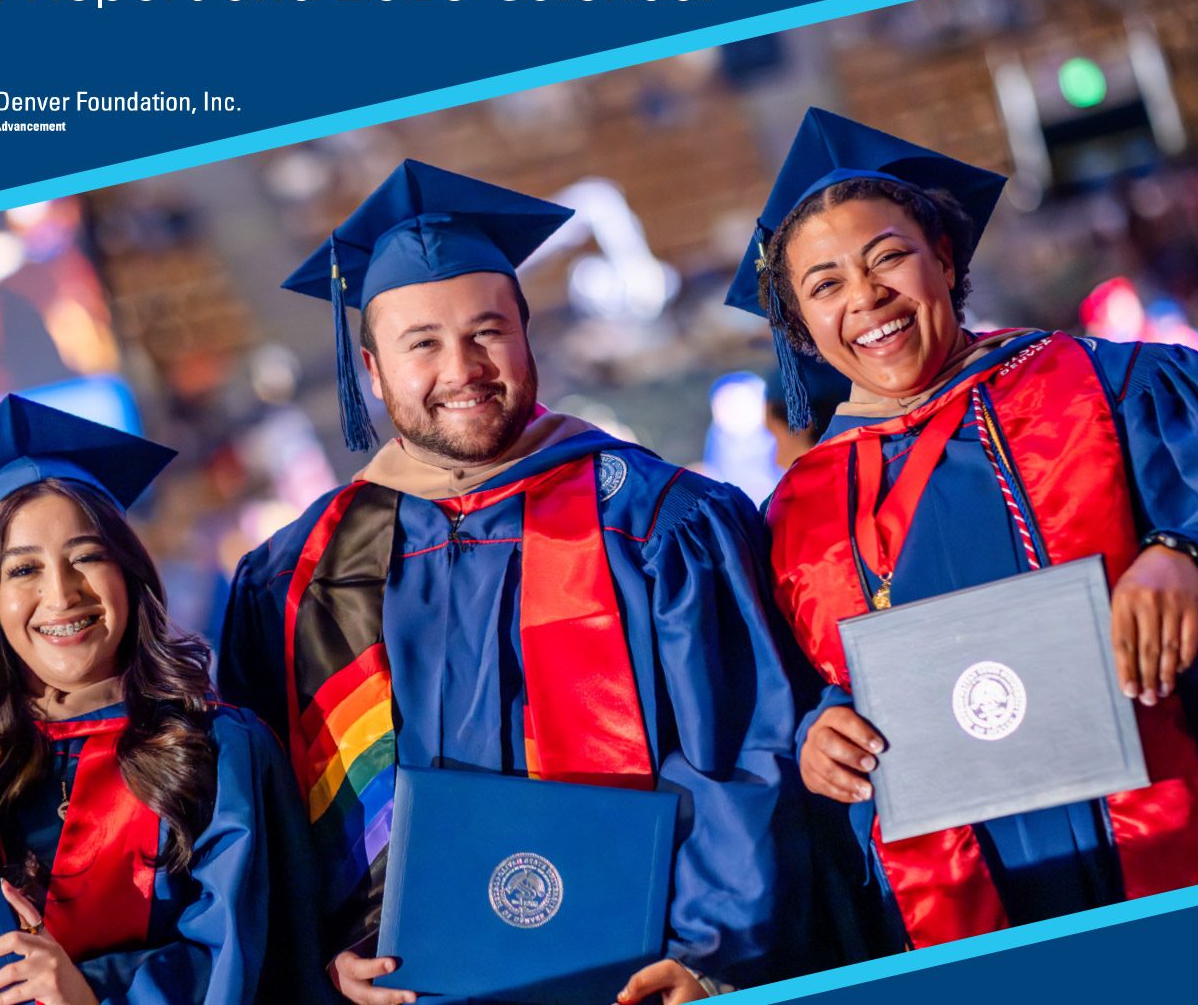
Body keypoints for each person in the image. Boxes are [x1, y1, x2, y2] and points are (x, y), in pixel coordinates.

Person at [218, 161, 813, 1004]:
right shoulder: (296, 578)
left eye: (487, 331)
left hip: (638, 979)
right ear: (373, 371)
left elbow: (746, 747)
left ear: (528, 335)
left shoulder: (657, 523)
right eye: (422, 343)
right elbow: (272, 818)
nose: (462, 367)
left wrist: (708, 951)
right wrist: (322, 956)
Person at [725, 107, 1198, 952]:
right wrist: (814, 737)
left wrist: (1189, 555)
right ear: (800, 323)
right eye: (825, 284)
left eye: (888, 257)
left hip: (1180, 835)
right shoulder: (795, 514)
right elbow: (800, 694)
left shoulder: (1115, 388)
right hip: (962, 899)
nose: (865, 297)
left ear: (944, 258)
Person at [0, 395, 330, 1005]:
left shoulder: (219, 753)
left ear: (129, 574)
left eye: (87, 557)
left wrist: (90, 991)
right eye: (23, 570)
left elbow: (263, 962)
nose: (62, 594)